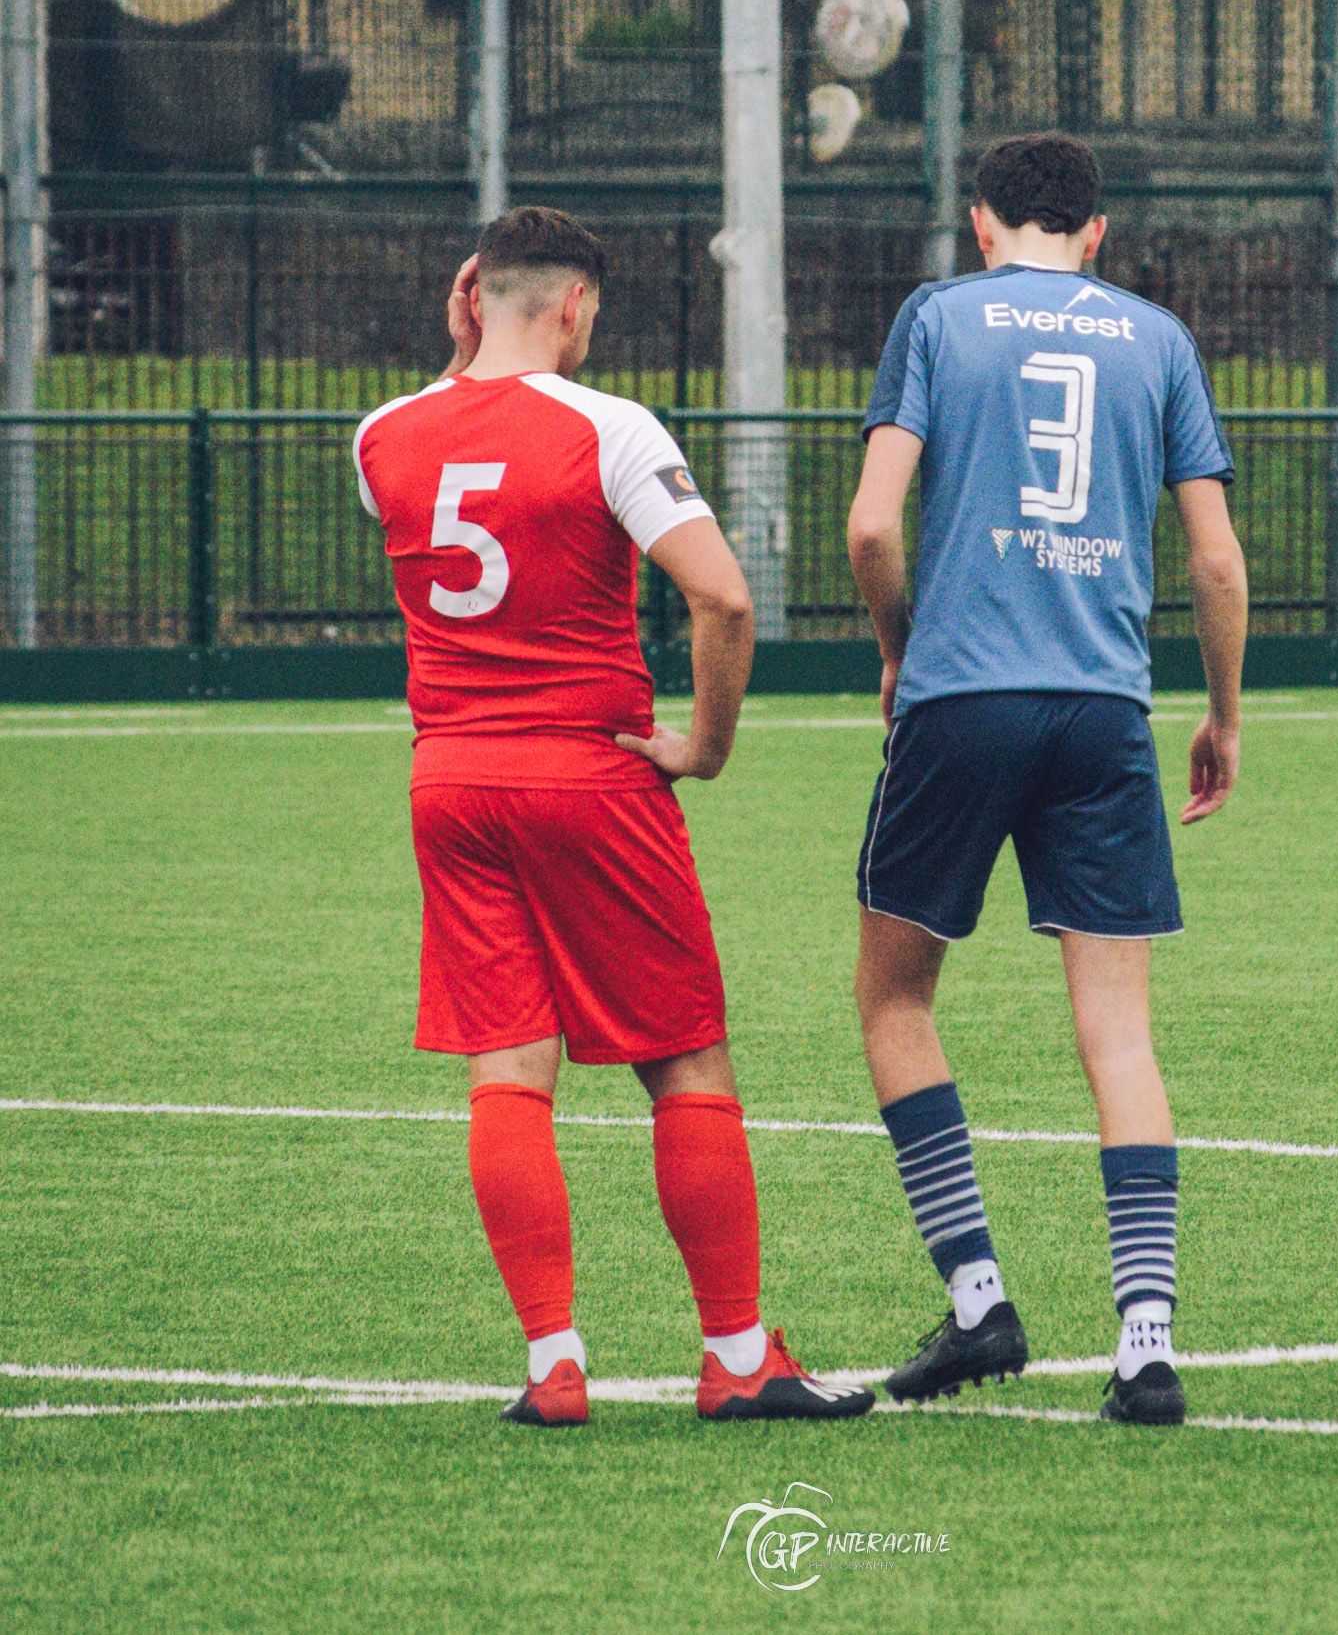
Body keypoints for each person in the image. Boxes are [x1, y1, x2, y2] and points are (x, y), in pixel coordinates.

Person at [353, 204, 872, 1429]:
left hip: (451, 781)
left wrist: (457, 352)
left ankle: (552, 1366)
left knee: (507, 1067)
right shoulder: (610, 428)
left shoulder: (382, 435)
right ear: (577, 303)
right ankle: (739, 1357)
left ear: (471, 291)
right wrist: (705, 745)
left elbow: (452, 440)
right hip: (588, 776)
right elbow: (724, 599)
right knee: (684, 1054)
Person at [845, 133, 1247, 1425]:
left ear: (977, 223)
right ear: (1096, 232)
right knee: (1117, 1031)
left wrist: (902, 653)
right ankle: (1143, 1349)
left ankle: (978, 1307)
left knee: (894, 999)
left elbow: (866, 524)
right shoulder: (1154, 337)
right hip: (1101, 710)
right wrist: (1222, 716)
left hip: (964, 698)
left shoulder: (936, 317)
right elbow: (1215, 562)